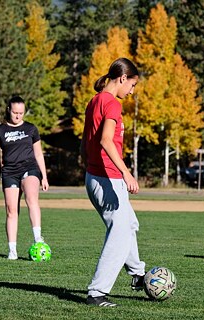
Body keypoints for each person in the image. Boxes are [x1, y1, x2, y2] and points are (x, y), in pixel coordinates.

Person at [80, 57, 146, 307]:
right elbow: (106, 141)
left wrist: (88, 167)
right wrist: (127, 173)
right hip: (108, 178)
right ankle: (97, 292)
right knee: (119, 234)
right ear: (122, 79)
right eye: (132, 85)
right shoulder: (111, 103)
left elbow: (85, 143)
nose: (131, 91)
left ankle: (138, 274)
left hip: (95, 176)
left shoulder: (94, 101)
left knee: (129, 224)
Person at [0, 96, 49, 260]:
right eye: (15, 112)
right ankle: (12, 250)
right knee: (11, 211)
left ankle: (38, 239)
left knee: (31, 199)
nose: (18, 116)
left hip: (29, 168)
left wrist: (44, 176)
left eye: (21, 113)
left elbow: (38, 154)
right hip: (9, 172)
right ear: (9, 110)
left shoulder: (31, 129)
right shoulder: (0, 130)